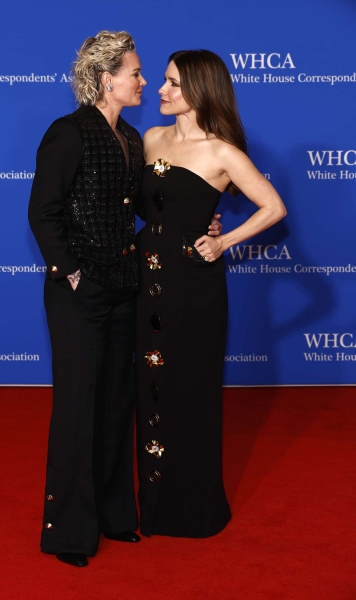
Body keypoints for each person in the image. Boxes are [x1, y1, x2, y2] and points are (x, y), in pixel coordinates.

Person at [28, 32, 221, 568]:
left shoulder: (132, 139)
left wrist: (200, 217)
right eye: (136, 73)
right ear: (106, 78)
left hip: (125, 290)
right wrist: (69, 274)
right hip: (79, 296)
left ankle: (116, 518)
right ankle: (68, 532)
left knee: (116, 407)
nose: (144, 81)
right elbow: (42, 212)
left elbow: (147, 206)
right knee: (77, 409)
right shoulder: (68, 134)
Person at [136, 49, 287, 538]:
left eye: (173, 83)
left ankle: (193, 510)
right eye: (162, 80)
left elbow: (273, 207)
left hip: (192, 289)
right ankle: (151, 506)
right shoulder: (150, 139)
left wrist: (223, 240)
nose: (161, 90)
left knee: (190, 391)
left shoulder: (222, 151)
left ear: (199, 90)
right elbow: (152, 207)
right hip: (144, 281)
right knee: (147, 389)